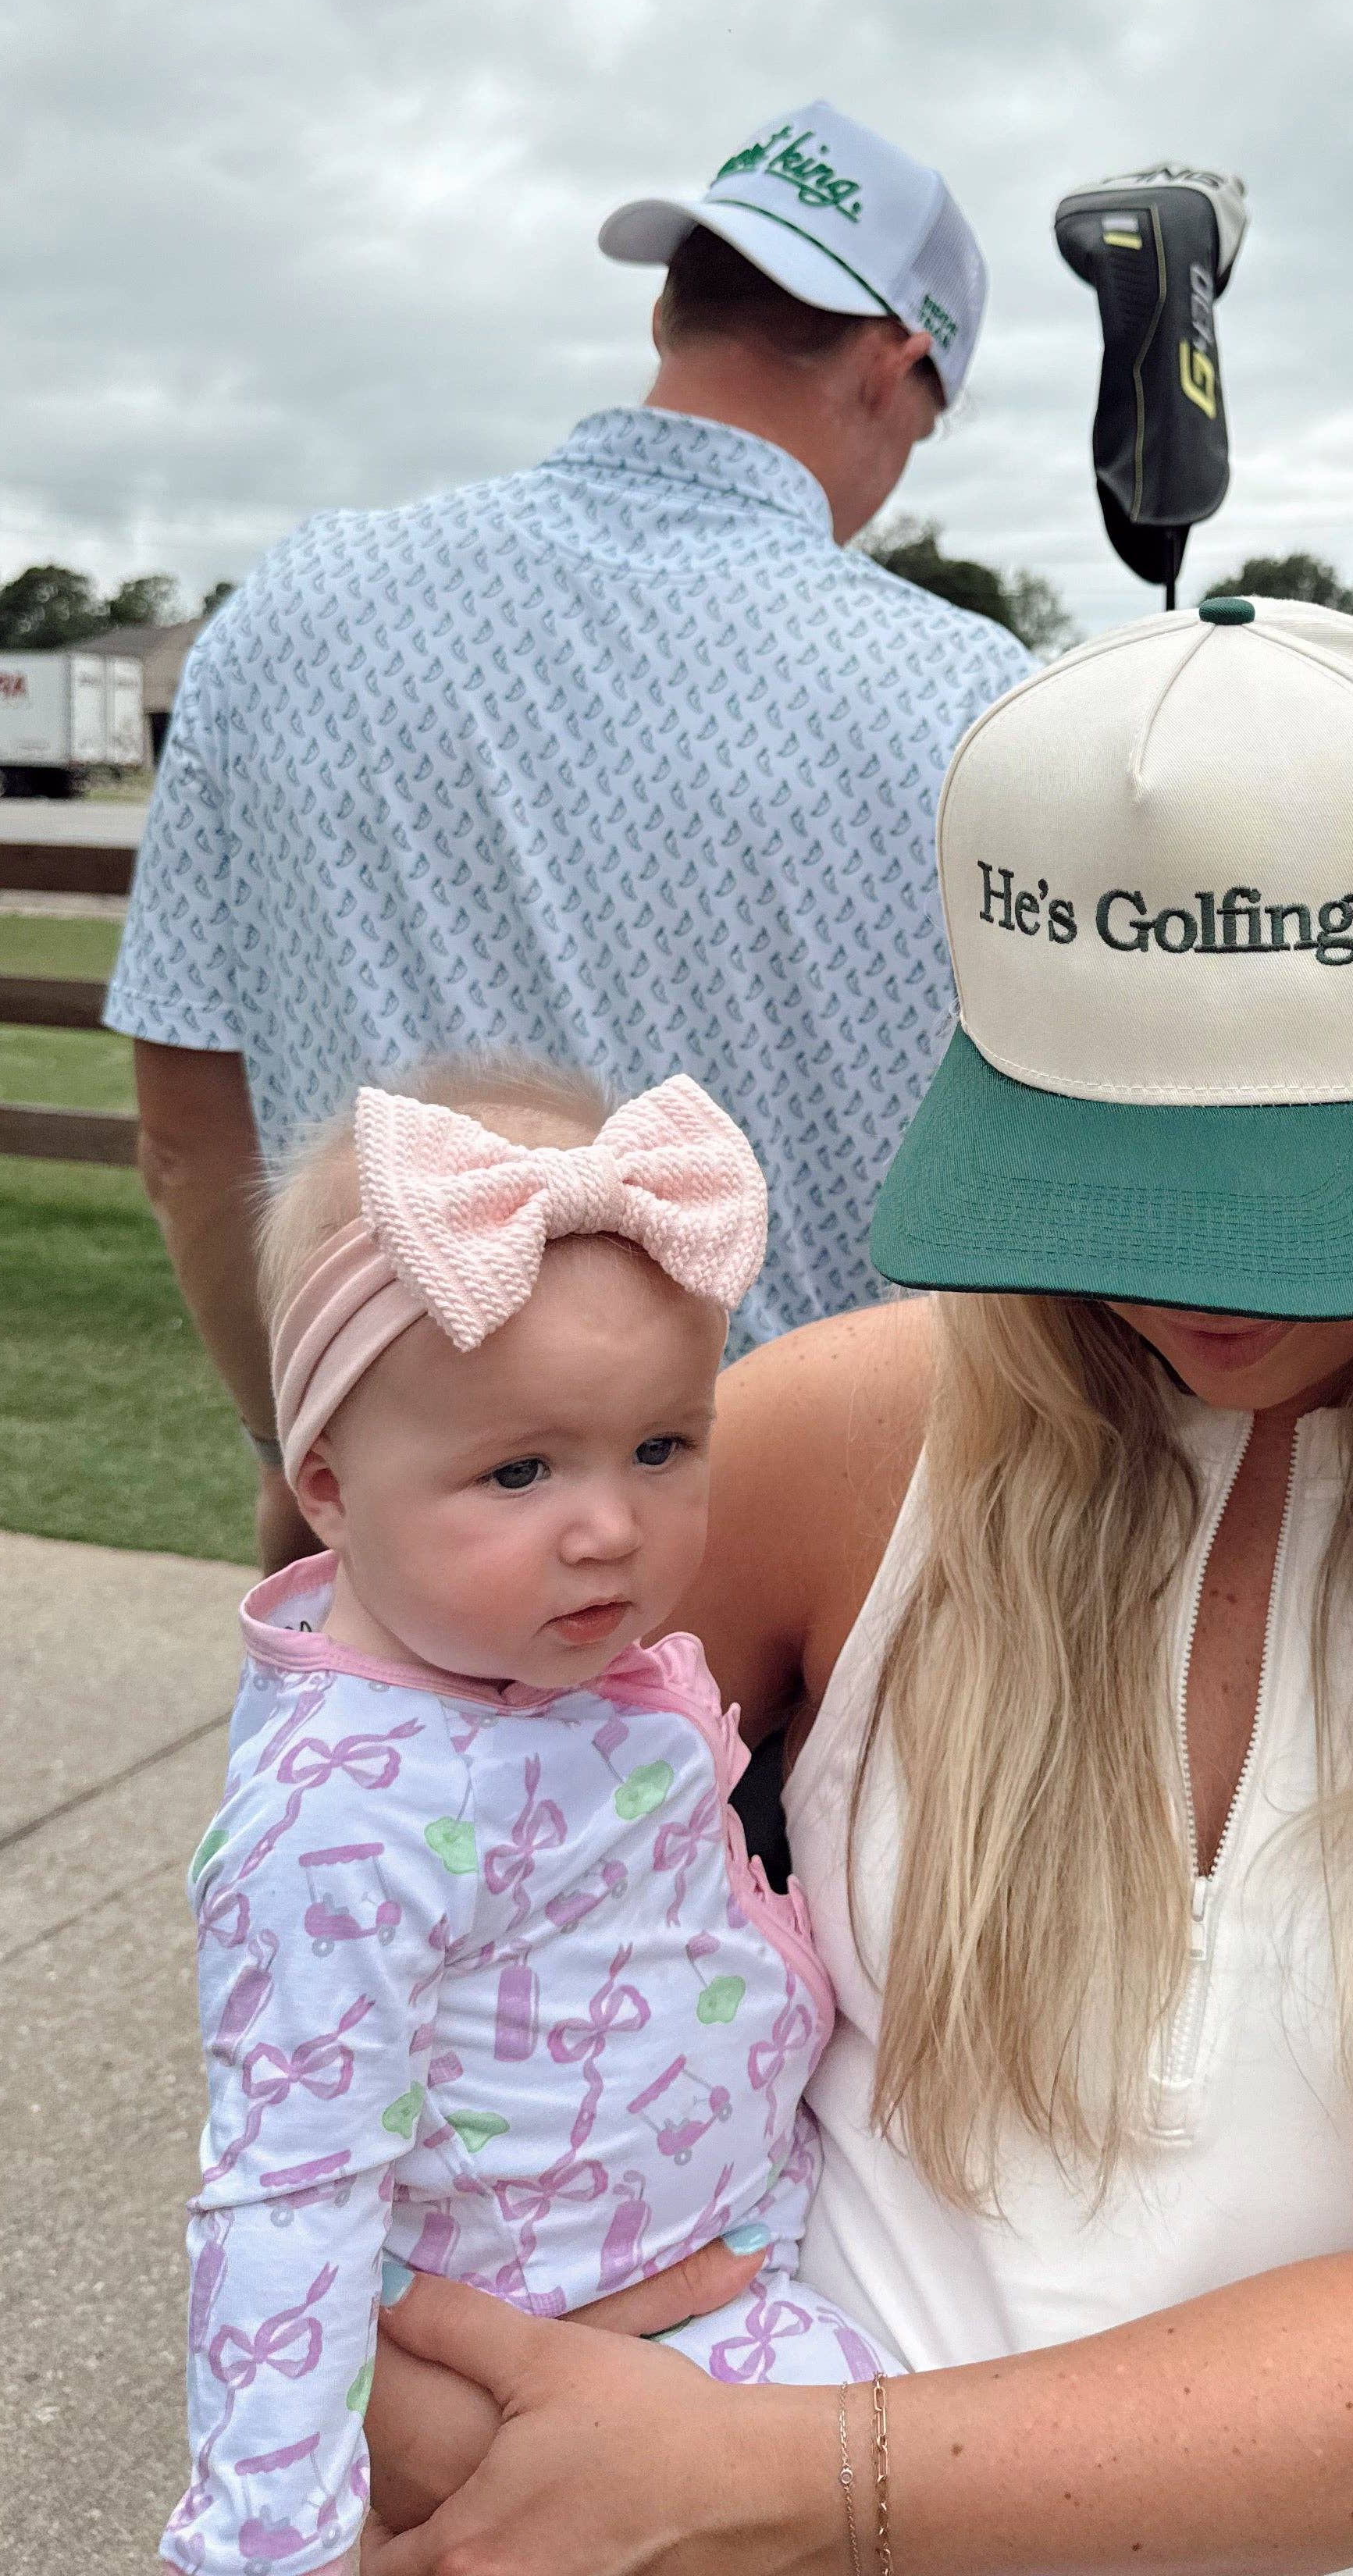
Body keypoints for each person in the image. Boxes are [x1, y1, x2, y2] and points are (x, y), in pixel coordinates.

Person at [361, 600, 1353, 2576]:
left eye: (1281, 1178)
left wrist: (783, 2487)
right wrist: (427, 2392)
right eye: (1097, 1165)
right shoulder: (842, 1439)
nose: (1184, 1285)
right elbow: (372, 1879)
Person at [106, 99, 1034, 1569]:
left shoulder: (290, 617)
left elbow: (184, 1135)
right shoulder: (980, 707)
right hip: (834, 1588)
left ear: (671, 307)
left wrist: (307, 1445)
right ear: (897, 362)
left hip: (409, 1591)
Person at [169, 1059, 895, 2576]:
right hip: (538, 2376)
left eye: (662, 1446)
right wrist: (268, 2548)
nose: (609, 1525)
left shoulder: (541, 1669)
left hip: (740, 2280)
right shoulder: (341, 1825)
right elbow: (286, 2207)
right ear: (328, 1485)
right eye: (518, 1467)